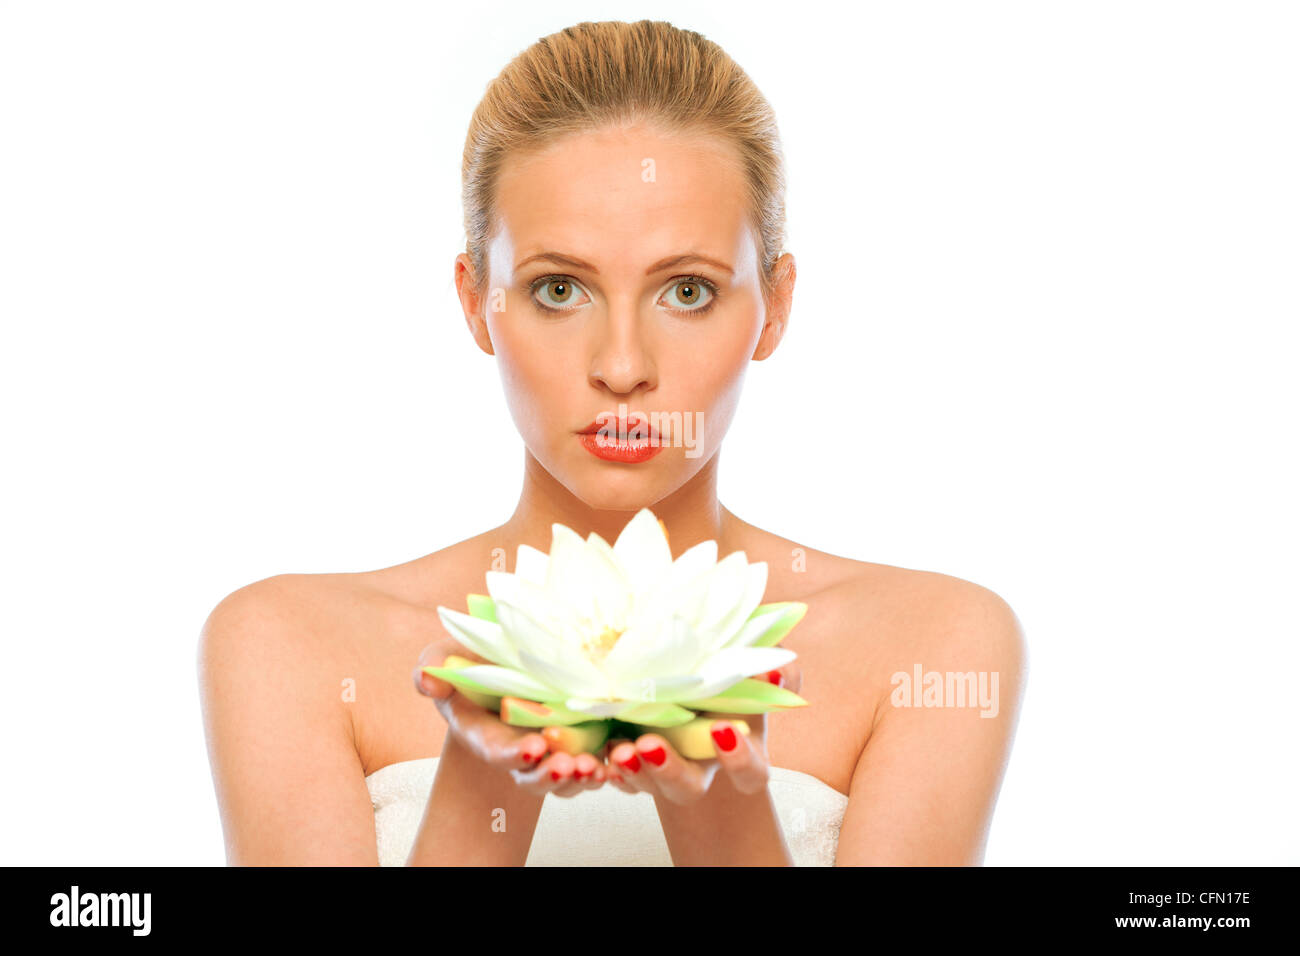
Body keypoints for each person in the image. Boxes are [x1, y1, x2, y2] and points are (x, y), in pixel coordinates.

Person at [198, 18, 1025, 866]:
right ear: (475, 298)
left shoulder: (937, 646)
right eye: (560, 288)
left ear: (774, 306)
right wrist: (483, 788)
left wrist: (724, 807)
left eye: (688, 291)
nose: (623, 366)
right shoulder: (284, 646)